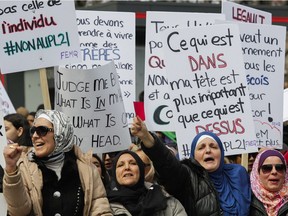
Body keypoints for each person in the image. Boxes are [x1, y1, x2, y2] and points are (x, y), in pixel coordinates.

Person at [130, 116, 251, 216]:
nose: (208, 150)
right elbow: (167, 164)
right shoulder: (188, 176)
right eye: (201, 147)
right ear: (193, 155)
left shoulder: (238, 175)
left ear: (221, 153)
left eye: (213, 146)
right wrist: (147, 138)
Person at [2, 109, 112, 216]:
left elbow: (100, 210)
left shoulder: (86, 169)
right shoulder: (24, 167)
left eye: (42, 130)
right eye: (33, 130)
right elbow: (19, 211)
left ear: (60, 133)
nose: (35, 136)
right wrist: (11, 170)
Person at [108, 150, 187, 216]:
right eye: (120, 165)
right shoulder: (105, 206)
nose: (127, 167)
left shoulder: (167, 202)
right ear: (114, 173)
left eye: (133, 163)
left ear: (141, 170)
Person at [250, 149, 288, 216]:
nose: (274, 172)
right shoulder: (246, 200)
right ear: (257, 173)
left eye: (279, 167)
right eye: (267, 168)